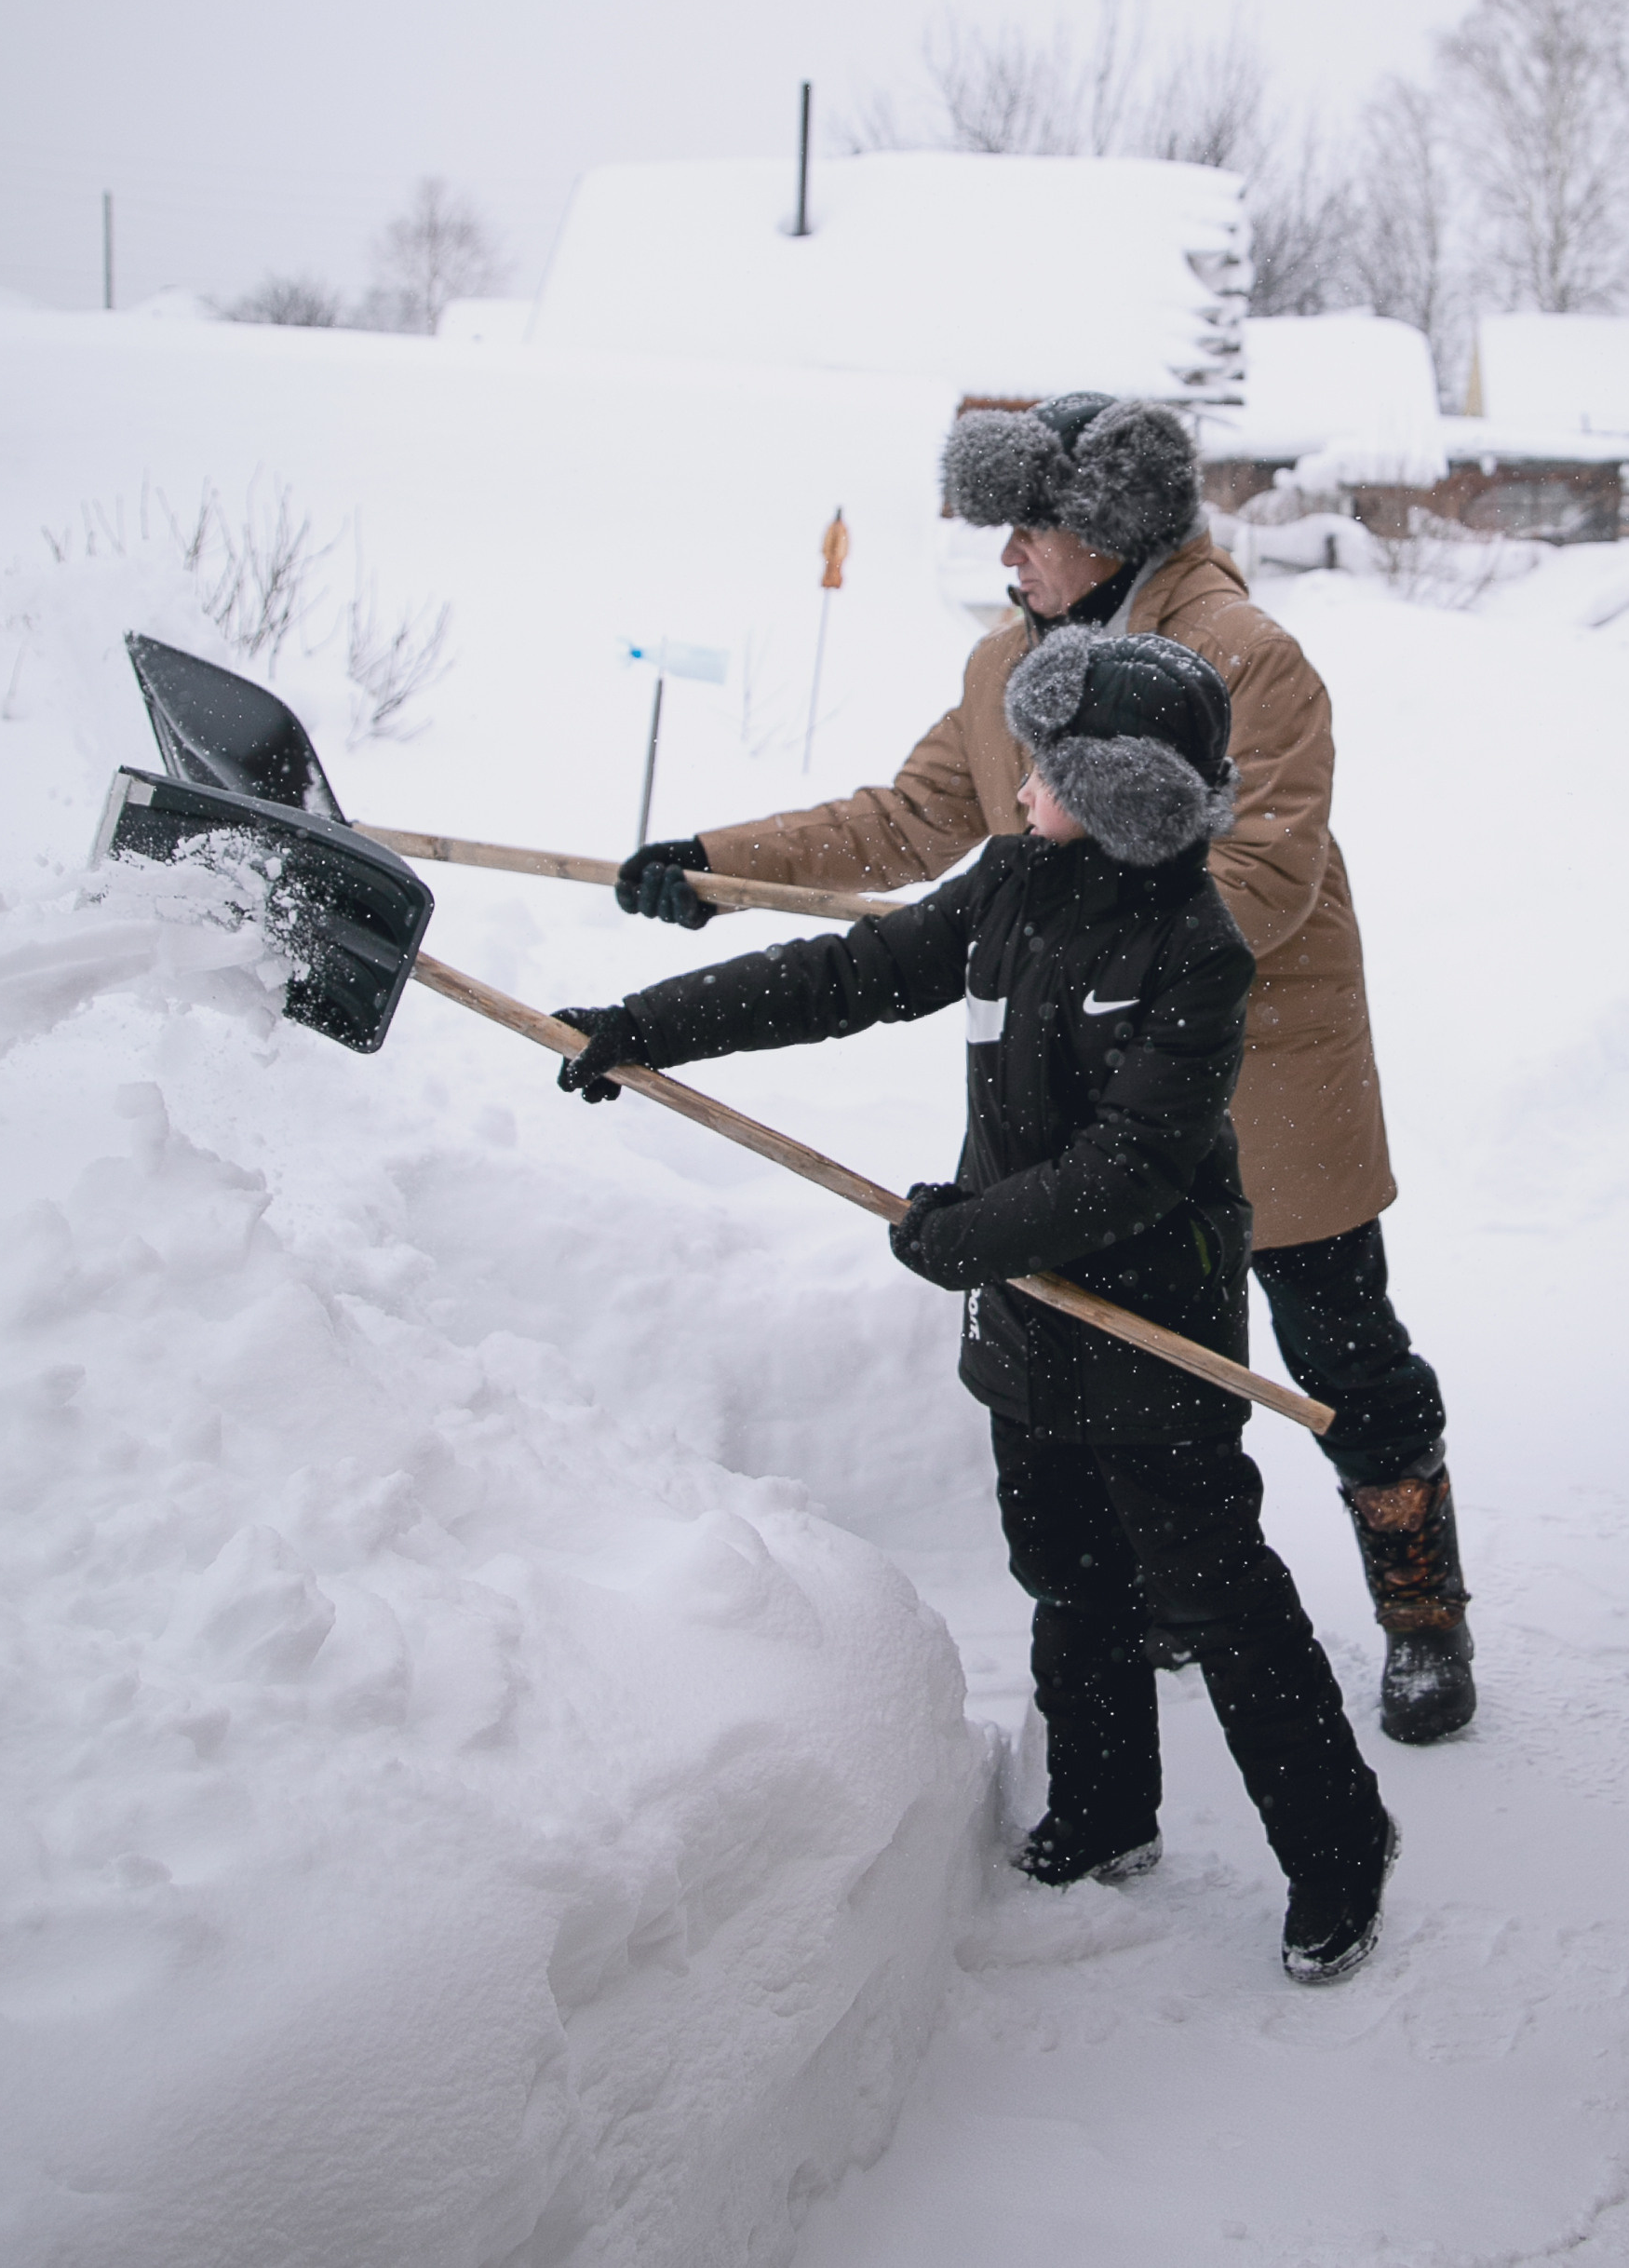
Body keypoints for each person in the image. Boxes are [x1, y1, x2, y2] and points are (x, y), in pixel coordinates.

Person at [617, 395, 1474, 1747]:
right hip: (1087, 1081)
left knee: (1336, 1345)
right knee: (1131, 1340)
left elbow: (1263, 871)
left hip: (1261, 1076)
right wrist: (716, 866)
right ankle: (1174, 1601)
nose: (1004, 554)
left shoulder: (1247, 659)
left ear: (1105, 529)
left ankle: (1419, 1597)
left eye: (1027, 527)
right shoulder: (998, 670)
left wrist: (1073, 960)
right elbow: (904, 819)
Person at [560, 625, 1398, 1983]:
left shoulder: (1198, 947)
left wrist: (963, 1233)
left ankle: (1338, 1850)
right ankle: (1102, 1809)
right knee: (1065, 1570)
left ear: (1115, 786)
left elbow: (1133, 1164)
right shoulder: (1011, 878)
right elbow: (852, 975)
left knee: (1213, 1588)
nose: (1014, 788)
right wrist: (646, 1024)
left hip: (1154, 1326)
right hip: (1023, 1309)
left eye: (1044, 768)